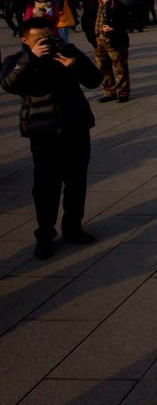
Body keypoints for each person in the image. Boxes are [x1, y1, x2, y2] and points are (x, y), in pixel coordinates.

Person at [0, 17, 103, 259]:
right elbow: (8, 84)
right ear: (25, 40)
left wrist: (75, 66)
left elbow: (95, 79)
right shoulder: (16, 61)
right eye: (39, 38)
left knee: (76, 181)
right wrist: (30, 58)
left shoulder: (67, 52)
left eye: (49, 36)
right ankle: (45, 234)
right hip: (43, 132)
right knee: (46, 187)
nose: (46, 42)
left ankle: (73, 227)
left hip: (75, 127)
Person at [83, 0, 131, 103]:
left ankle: (122, 92)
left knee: (119, 67)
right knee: (103, 68)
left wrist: (114, 28)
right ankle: (109, 91)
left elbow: (128, 21)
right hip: (98, 40)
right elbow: (86, 21)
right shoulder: (92, 4)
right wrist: (91, 37)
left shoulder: (118, 4)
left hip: (115, 40)